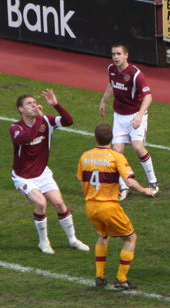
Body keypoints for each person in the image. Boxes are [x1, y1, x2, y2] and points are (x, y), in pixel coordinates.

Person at [10, 90, 91, 255]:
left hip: (42, 173)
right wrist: (40, 118)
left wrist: (56, 105)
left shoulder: (47, 121)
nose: (33, 105)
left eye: (34, 103)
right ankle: (44, 242)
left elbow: (69, 121)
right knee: (41, 203)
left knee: (59, 204)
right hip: (24, 176)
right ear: (21, 109)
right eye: (29, 104)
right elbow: (27, 138)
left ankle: (73, 239)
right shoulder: (15, 128)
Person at [78, 123, 155, 290]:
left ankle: (100, 276)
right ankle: (121, 278)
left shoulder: (85, 156)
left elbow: (83, 179)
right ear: (111, 138)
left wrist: (107, 190)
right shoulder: (116, 157)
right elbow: (129, 182)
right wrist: (144, 190)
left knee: (103, 235)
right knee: (130, 238)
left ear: (96, 138)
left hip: (90, 206)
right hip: (108, 207)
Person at [97, 43, 159, 200]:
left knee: (138, 147)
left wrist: (139, 116)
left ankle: (153, 182)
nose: (115, 57)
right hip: (119, 116)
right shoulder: (111, 69)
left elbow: (148, 96)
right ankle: (125, 187)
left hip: (135, 115)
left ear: (126, 55)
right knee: (117, 150)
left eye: (118, 54)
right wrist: (103, 100)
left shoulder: (135, 74)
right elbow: (111, 84)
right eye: (113, 54)